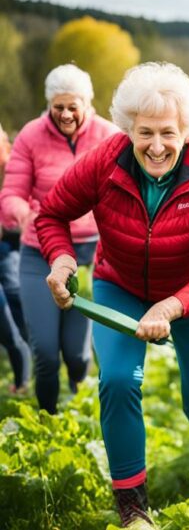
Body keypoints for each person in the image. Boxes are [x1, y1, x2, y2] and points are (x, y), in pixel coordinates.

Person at [35, 62, 189, 527]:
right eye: (144, 132)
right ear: (128, 127)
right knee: (115, 381)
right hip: (121, 285)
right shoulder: (104, 160)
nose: (156, 146)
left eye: (168, 133)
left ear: (186, 131)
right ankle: (132, 506)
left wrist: (171, 307)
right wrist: (63, 261)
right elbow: (51, 214)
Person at [0, 64, 119, 413]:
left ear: (87, 103)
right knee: (46, 354)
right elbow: (12, 194)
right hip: (40, 253)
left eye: (72, 106)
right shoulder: (30, 136)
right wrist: (23, 214)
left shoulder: (109, 136)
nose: (65, 114)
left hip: (90, 253)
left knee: (78, 353)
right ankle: (48, 421)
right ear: (49, 104)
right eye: (58, 106)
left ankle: (79, 391)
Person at [0, 123, 29, 394]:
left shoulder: (17, 170)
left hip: (10, 248)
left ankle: (23, 378)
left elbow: (28, 220)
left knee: (14, 294)